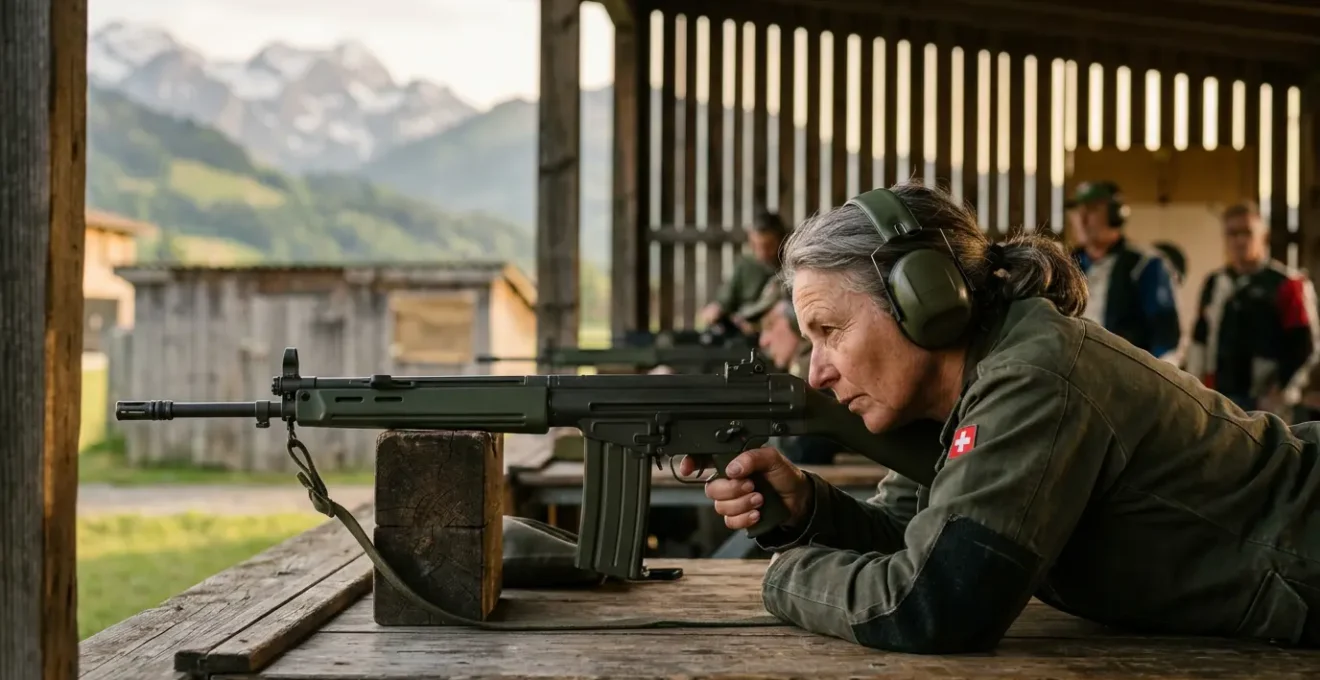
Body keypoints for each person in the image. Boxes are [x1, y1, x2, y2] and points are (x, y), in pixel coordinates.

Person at [678, 180, 1320, 653]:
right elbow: (919, 537)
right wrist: (810, 511)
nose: (816, 371)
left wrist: (784, 575)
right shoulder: (971, 383)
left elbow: (936, 603)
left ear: (920, 302)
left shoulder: (1030, 377)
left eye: (830, 330)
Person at [1186, 202, 1320, 419]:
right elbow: (1199, 337)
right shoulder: (1215, 283)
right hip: (1219, 394)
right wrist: (1193, 386)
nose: (1239, 240)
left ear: (1262, 235)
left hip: (1268, 400)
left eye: (1247, 233)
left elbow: (1305, 345)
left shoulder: (1287, 284)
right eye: (1232, 233)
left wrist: (1280, 391)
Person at [1067, 180, 1183, 364]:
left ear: (1115, 214)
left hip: (1125, 380)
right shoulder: (1064, 267)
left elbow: (1166, 338)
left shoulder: (1144, 265)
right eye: (1077, 210)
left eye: (1092, 209)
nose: (1082, 219)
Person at [700, 210, 787, 335]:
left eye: (768, 246)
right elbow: (727, 297)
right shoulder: (745, 265)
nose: (762, 253)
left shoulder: (790, 265)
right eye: (755, 246)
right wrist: (717, 308)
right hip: (744, 328)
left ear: (781, 240)